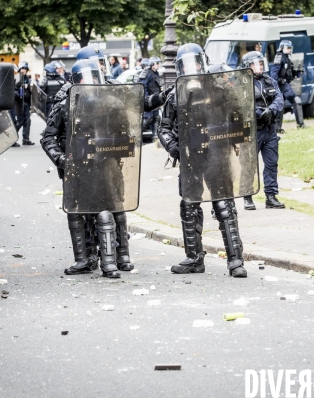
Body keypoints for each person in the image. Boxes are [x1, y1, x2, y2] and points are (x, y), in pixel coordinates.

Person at [42, 59, 171, 277]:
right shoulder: (67, 103)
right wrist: (62, 159)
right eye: (84, 78)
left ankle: (118, 258)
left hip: (108, 164)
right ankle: (83, 259)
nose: (89, 82)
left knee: (114, 208)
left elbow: (128, 126)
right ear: (76, 81)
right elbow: (48, 137)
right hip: (79, 166)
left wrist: (122, 148)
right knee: (76, 212)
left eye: (93, 76)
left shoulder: (112, 101)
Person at [158, 43, 248, 278]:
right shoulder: (175, 94)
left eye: (194, 63)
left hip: (217, 154)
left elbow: (238, 116)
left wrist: (232, 134)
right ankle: (194, 258)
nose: (191, 68)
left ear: (202, 63)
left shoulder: (219, 87)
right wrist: (174, 147)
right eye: (186, 64)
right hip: (190, 158)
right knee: (189, 205)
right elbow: (163, 127)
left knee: (224, 206)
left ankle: (236, 260)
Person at [240, 51, 285, 210]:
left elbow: (280, 98)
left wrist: (271, 110)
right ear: (248, 66)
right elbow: (240, 105)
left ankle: (271, 196)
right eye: (255, 64)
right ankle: (247, 196)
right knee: (249, 165)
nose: (259, 66)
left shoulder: (269, 80)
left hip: (270, 130)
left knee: (272, 163)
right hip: (252, 131)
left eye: (260, 63)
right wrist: (259, 113)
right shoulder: (242, 83)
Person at [270, 39, 304, 133]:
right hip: (282, 85)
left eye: (290, 48)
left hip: (285, 84)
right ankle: (300, 124)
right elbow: (274, 73)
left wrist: (297, 73)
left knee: (280, 105)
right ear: (282, 48)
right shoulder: (279, 57)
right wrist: (277, 84)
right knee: (295, 100)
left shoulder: (286, 58)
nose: (289, 49)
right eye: (287, 47)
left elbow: (288, 72)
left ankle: (277, 128)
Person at [139, 56, 163, 140]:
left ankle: (155, 137)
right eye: (157, 63)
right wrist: (145, 98)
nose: (159, 65)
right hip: (148, 100)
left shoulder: (156, 73)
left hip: (155, 99)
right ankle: (138, 134)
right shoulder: (146, 73)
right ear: (153, 64)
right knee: (149, 118)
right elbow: (143, 86)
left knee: (156, 117)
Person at [13, 62, 34, 146]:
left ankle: (26, 139)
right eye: (22, 69)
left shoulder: (27, 78)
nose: (23, 70)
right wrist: (18, 92)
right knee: (20, 121)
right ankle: (12, 139)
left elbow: (29, 91)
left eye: (25, 69)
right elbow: (14, 89)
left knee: (27, 121)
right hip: (19, 103)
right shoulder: (17, 77)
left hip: (26, 102)